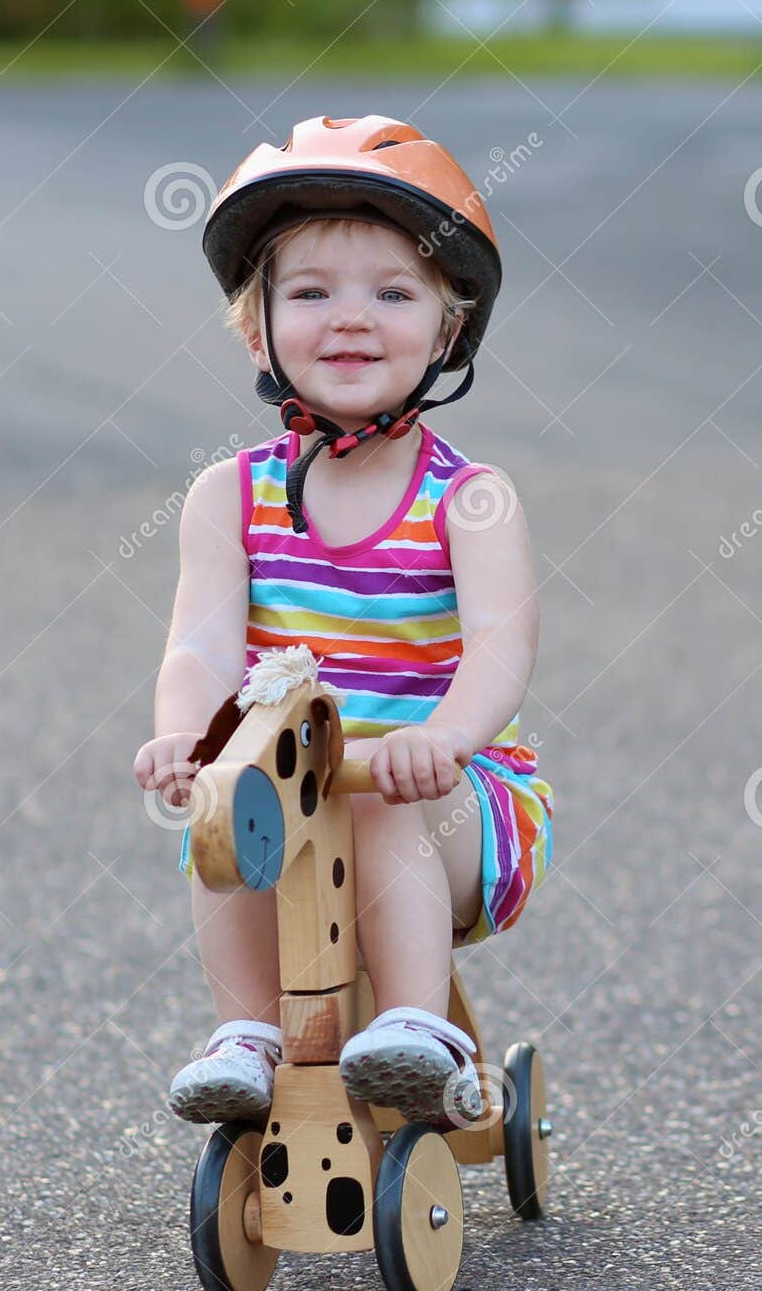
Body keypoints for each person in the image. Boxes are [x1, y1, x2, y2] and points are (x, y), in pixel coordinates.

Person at [132, 114, 553, 1127]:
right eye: (311, 292)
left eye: (393, 293)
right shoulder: (227, 497)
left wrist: (442, 739)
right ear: (256, 327)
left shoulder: (472, 500)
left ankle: (414, 1029)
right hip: (293, 782)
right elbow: (198, 643)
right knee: (226, 809)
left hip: (447, 796)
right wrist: (192, 740)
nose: (351, 318)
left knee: (375, 800)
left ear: (447, 330)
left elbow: (501, 651)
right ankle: (247, 1033)